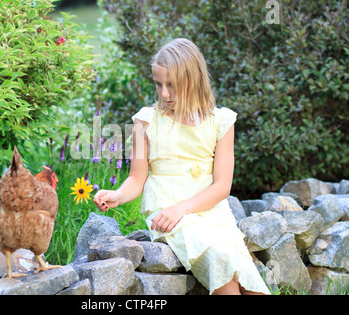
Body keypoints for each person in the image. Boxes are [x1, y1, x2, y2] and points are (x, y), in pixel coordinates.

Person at [93, 38, 270, 295]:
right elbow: (137, 179)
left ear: (194, 79)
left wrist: (184, 208)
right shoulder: (146, 122)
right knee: (221, 257)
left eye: (172, 85)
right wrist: (117, 195)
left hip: (211, 213)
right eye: (158, 84)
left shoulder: (220, 122)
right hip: (167, 214)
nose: (164, 93)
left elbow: (222, 186)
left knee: (244, 274)